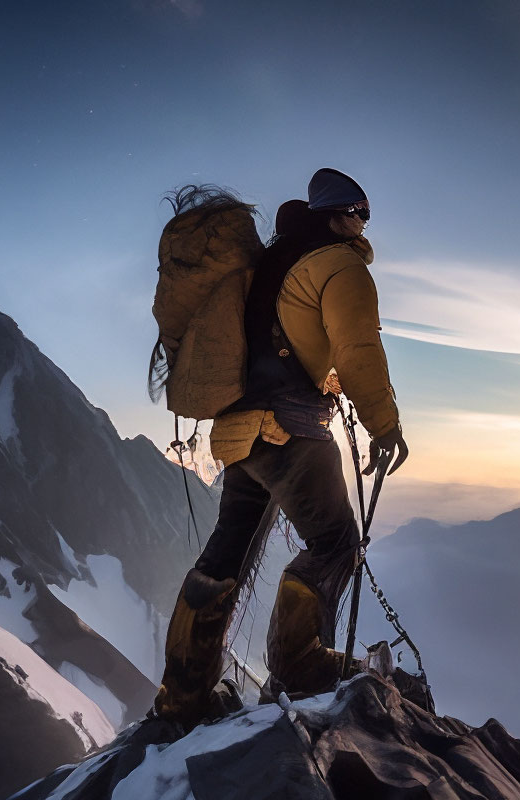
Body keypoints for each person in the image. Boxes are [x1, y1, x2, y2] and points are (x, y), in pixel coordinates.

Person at [153, 168, 408, 728]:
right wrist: (383, 426)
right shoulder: (339, 265)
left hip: (242, 434)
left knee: (226, 554)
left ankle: (182, 695)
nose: (363, 224)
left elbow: (288, 339)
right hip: (292, 429)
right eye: (358, 213)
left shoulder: (273, 261)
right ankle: (299, 667)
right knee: (336, 540)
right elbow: (358, 347)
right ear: (337, 216)